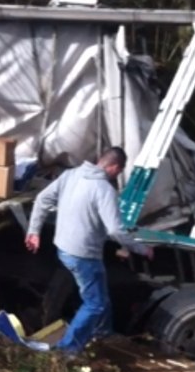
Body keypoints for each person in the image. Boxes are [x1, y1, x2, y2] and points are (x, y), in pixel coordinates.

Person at [24, 148, 154, 355]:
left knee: (100, 291)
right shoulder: (104, 190)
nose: (116, 176)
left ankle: (104, 333)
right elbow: (115, 230)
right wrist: (140, 248)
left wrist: (34, 231)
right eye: (118, 172)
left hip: (63, 248)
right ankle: (66, 350)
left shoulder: (70, 175)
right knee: (95, 304)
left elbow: (42, 199)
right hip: (83, 254)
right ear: (113, 167)